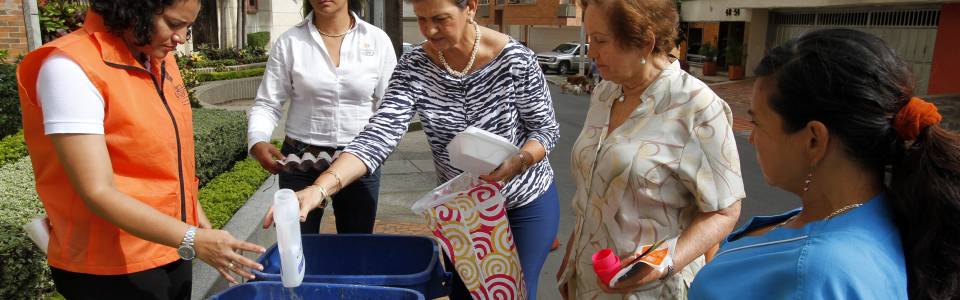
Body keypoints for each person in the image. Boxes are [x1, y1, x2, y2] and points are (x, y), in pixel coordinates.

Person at [262, 0, 560, 298]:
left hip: (523, 203)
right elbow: (379, 134)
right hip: (463, 211)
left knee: (513, 292)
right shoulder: (415, 65)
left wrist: (520, 160)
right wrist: (320, 189)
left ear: (470, 7)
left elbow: (545, 129)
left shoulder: (515, 60)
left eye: (440, 19)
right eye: (421, 19)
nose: (429, 30)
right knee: (466, 293)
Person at [16, 1, 265, 298]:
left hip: (170, 246)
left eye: (189, 26)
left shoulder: (157, 58)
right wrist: (193, 237)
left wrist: (197, 224)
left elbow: (164, 161)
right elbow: (97, 191)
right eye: (173, 25)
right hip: (109, 266)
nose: (182, 38)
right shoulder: (70, 68)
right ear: (133, 10)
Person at [688, 29, 960, 299]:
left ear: (814, 140)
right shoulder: (866, 214)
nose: (752, 139)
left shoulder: (819, 276)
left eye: (758, 123)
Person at [556, 0, 745, 298]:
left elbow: (724, 210)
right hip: (590, 280)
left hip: (651, 289)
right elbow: (592, 193)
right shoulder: (606, 92)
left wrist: (664, 263)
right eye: (589, 39)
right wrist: (572, 261)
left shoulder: (696, 106)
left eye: (601, 41)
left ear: (645, 43)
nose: (591, 52)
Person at [247, 0, 396, 234]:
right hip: (300, 159)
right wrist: (257, 140)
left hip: (358, 157)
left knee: (356, 243)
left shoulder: (377, 40)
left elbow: (390, 107)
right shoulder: (290, 41)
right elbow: (268, 102)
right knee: (299, 247)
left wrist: (376, 150)